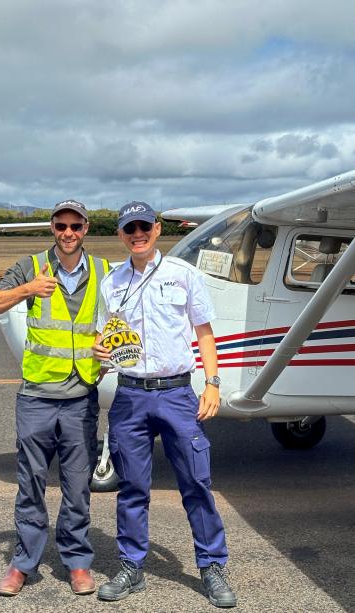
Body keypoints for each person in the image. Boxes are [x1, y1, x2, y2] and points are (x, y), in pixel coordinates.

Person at [92, 202, 237, 608]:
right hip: (131, 393)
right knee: (132, 487)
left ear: (156, 229)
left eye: (143, 226)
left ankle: (211, 566)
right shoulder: (112, 282)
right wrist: (99, 351)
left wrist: (211, 384)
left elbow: (204, 334)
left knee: (196, 484)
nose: (136, 233)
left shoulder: (183, 275)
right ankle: (131, 566)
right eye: (128, 228)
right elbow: (108, 334)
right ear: (121, 234)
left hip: (177, 393)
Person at [0, 200, 109, 598]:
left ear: (86, 228)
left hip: (80, 397)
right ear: (52, 228)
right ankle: (23, 564)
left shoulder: (105, 271)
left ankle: (78, 562)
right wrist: (28, 289)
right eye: (60, 226)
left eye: (75, 226)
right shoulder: (30, 267)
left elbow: (123, 319)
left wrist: (110, 349)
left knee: (77, 486)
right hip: (36, 396)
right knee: (30, 483)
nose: (67, 233)